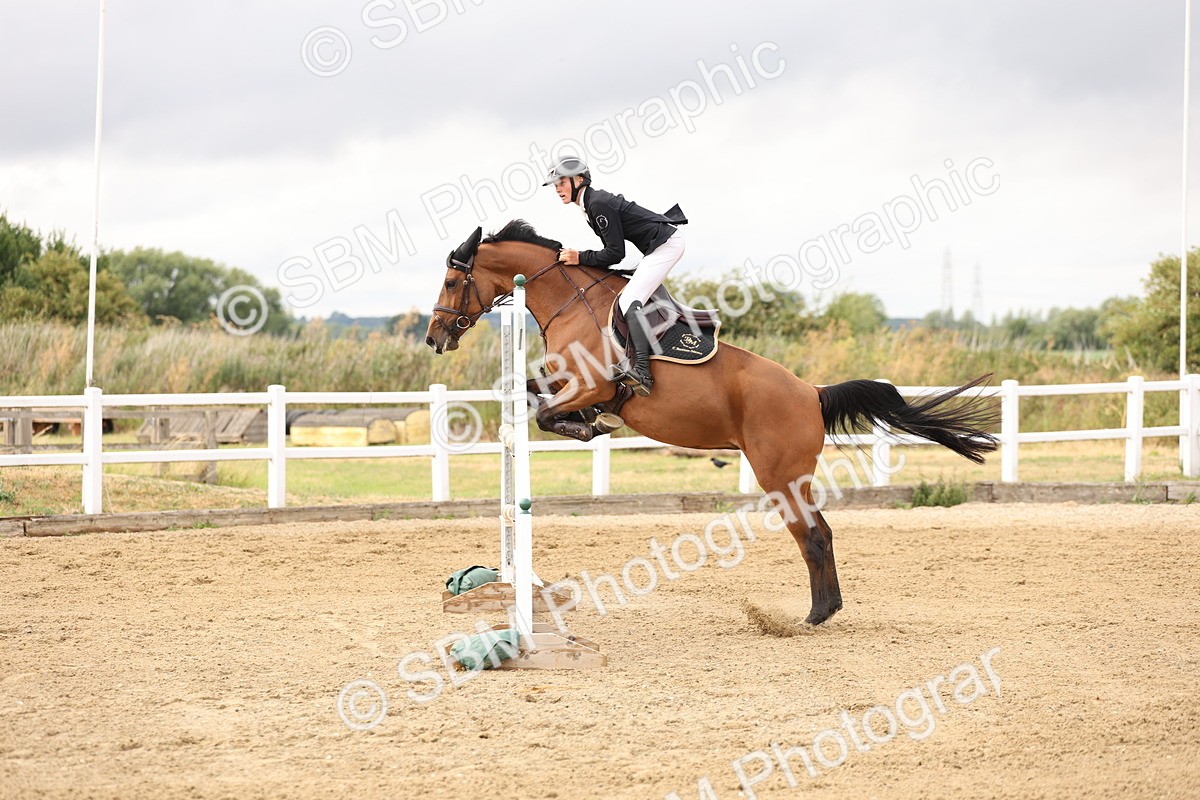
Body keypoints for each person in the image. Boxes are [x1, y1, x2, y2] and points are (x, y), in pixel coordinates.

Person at [542, 156, 687, 397]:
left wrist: (580, 257)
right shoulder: (589, 205)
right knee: (627, 296)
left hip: (667, 245)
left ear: (579, 179)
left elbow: (615, 253)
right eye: (555, 184)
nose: (557, 189)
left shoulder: (597, 203)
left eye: (561, 182)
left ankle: (642, 370)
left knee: (630, 300)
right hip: (657, 245)